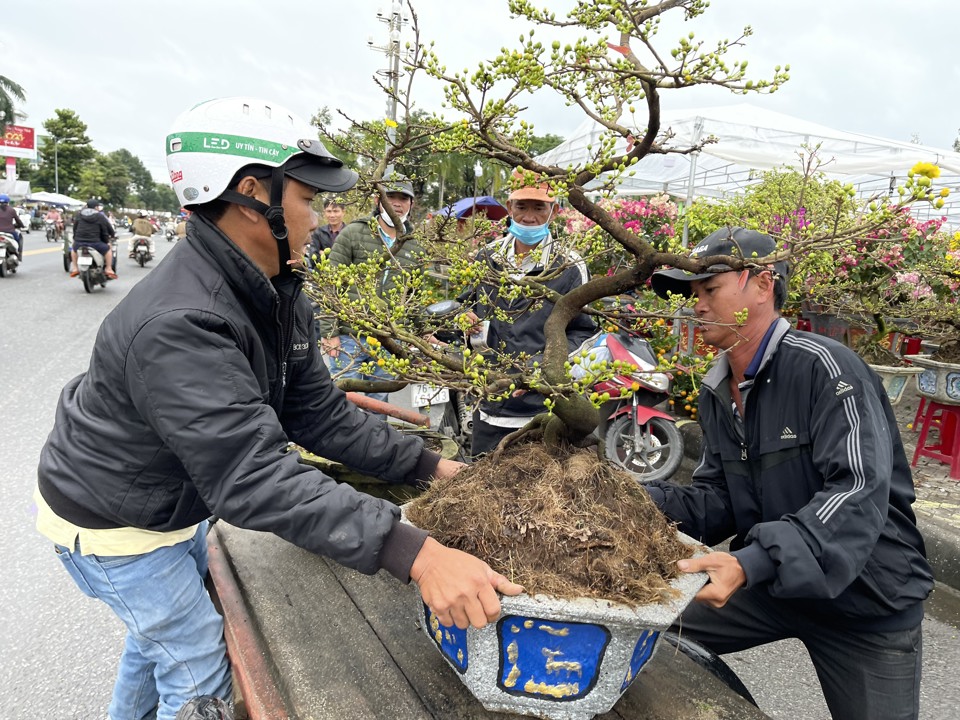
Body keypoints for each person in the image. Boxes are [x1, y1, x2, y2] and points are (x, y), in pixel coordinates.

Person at [34, 96, 521, 720]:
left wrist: (433, 469)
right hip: (114, 524)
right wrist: (417, 554)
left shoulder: (273, 288)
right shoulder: (182, 321)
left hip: (168, 503)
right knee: (196, 667)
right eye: (308, 199)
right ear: (251, 194)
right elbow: (252, 474)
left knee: (156, 640)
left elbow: (318, 413)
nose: (320, 217)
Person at [646, 226, 933, 720]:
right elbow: (721, 500)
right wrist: (629, 499)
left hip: (867, 603)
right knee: (639, 620)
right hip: (777, 584)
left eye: (709, 289)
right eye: (694, 293)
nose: (696, 305)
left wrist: (751, 563)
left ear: (762, 284)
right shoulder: (719, 389)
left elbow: (857, 489)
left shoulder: (827, 367)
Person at [458, 176, 596, 455]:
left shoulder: (569, 266)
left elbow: (584, 332)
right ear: (509, 207)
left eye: (539, 208)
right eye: (522, 207)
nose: (529, 217)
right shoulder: (487, 258)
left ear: (554, 212)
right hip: (491, 403)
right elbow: (465, 305)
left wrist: (539, 368)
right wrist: (464, 319)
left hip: (545, 408)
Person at [317, 176, 424, 402]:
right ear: (378, 199)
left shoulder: (415, 245)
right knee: (344, 399)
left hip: (390, 338)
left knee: (379, 403)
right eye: (390, 196)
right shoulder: (354, 233)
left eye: (403, 198)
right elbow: (330, 283)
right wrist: (329, 332)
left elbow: (415, 295)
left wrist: (419, 337)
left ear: (411, 204)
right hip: (349, 335)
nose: (396, 202)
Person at [70, 198, 117, 278]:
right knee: (108, 249)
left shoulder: (79, 215)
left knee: (73, 250)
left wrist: (75, 239)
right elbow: (106, 230)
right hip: (95, 243)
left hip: (79, 242)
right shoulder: (100, 216)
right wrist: (109, 238)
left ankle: (75, 268)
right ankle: (108, 268)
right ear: (96, 207)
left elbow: (75, 228)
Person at [0, 193, 26, 258]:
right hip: (9, 231)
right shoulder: (11, 210)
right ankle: (19, 254)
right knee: (18, 240)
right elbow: (18, 220)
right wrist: (22, 226)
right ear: (8, 201)